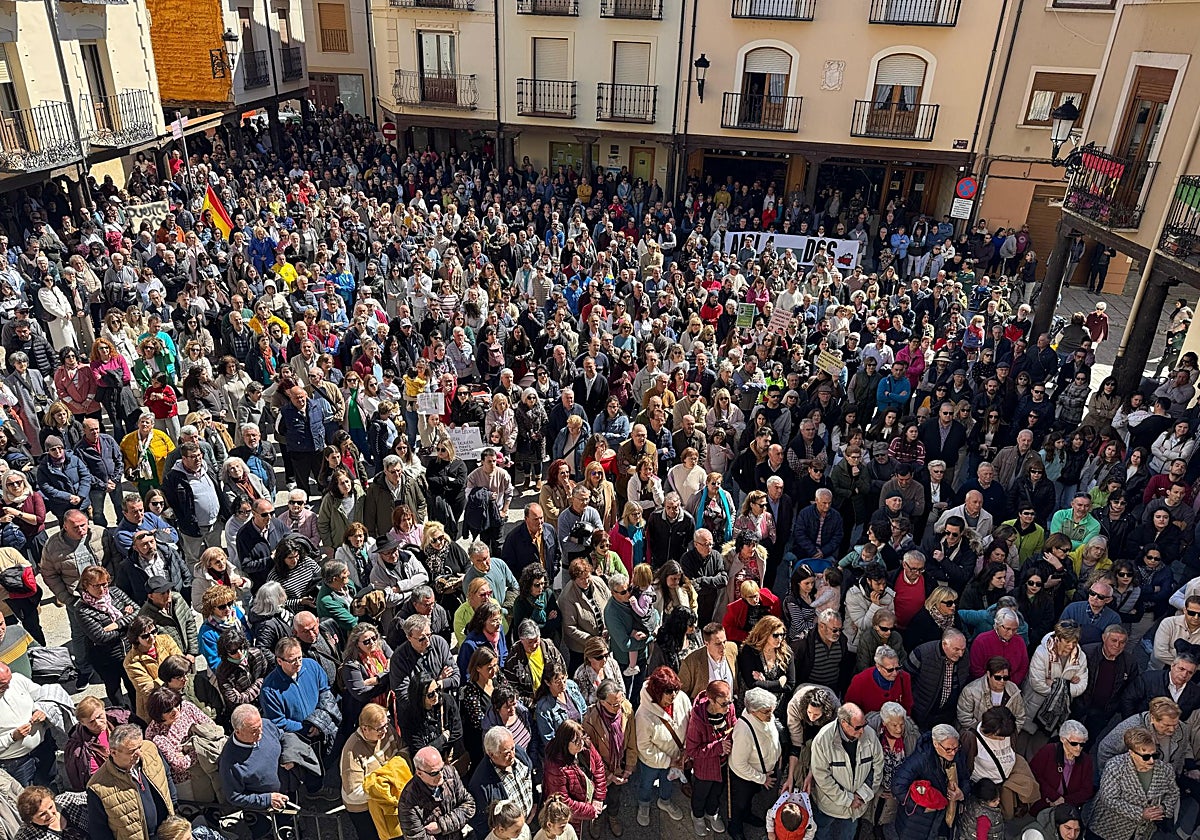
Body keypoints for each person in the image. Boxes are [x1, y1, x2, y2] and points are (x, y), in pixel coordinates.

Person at [85, 724, 177, 840]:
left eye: (140, 746)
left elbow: (166, 775)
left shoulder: (150, 749)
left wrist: (174, 804)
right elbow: (99, 830)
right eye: (132, 751)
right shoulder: (98, 787)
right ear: (113, 753)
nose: (139, 753)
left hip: (168, 831)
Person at [809, 702, 884, 840]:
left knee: (848, 835)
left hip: (857, 807)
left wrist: (862, 795)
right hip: (831, 805)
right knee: (822, 831)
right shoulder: (823, 740)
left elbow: (878, 765)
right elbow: (822, 776)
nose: (862, 731)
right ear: (844, 723)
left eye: (864, 724)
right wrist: (848, 799)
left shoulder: (870, 734)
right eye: (858, 727)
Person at [1089, 726, 1178, 840]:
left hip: (1141, 834)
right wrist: (1140, 813)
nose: (1151, 761)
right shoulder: (1115, 766)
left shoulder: (1165, 769)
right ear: (1132, 753)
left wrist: (1163, 808)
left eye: (1154, 755)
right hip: (1108, 830)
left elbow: (1173, 793)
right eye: (1146, 757)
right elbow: (1109, 799)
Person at [632, 667, 690, 825]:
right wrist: (668, 761)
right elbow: (644, 747)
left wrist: (684, 751)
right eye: (669, 692)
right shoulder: (643, 715)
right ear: (657, 692)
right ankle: (644, 804)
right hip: (651, 761)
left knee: (668, 780)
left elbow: (690, 724)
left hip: (676, 756)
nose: (674, 696)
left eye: (675, 691)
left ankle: (665, 801)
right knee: (646, 783)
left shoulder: (682, 698)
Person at [340, 703, 404, 840]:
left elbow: (403, 751)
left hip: (387, 798)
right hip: (363, 807)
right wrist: (383, 789)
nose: (385, 731)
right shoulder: (351, 751)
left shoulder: (387, 730)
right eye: (380, 729)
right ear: (365, 729)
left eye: (386, 725)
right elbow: (353, 792)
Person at [728, 688, 783, 840]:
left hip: (761, 772)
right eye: (766, 712)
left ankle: (747, 815)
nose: (770, 715)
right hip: (744, 778)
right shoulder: (744, 730)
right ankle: (735, 828)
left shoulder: (765, 717)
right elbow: (740, 764)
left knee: (749, 800)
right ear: (752, 711)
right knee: (739, 804)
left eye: (771, 711)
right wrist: (762, 778)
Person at [466, 726, 536, 840]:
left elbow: (530, 777)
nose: (512, 755)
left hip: (529, 821)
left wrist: (535, 802)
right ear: (491, 754)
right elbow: (481, 822)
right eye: (506, 753)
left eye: (512, 749)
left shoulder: (519, 753)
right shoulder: (481, 784)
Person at [397, 746, 476, 840]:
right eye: (434, 773)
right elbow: (416, 837)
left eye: (442, 768)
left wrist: (441, 825)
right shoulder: (408, 800)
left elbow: (469, 806)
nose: (441, 775)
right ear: (419, 773)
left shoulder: (450, 773)